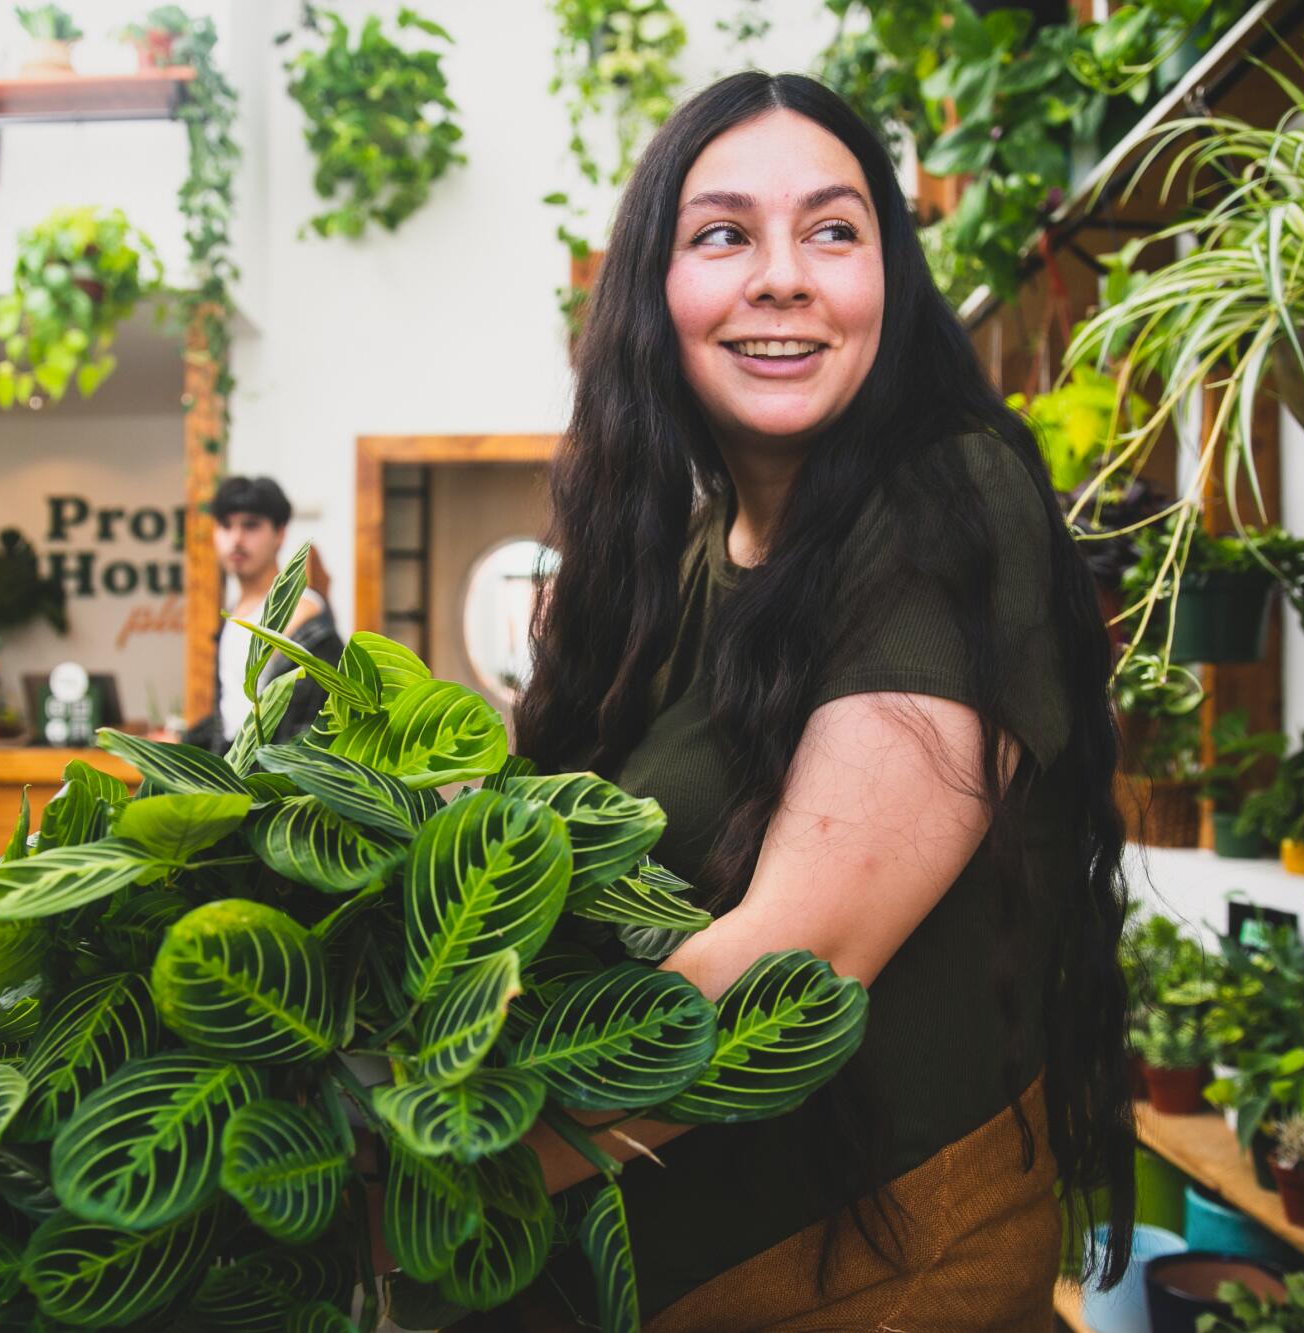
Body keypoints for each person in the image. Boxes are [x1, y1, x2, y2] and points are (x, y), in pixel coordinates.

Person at [464, 72, 1139, 1330]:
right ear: (652, 297)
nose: (782, 275)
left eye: (832, 230)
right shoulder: (677, 565)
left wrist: (406, 1162)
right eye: (723, 234)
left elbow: (799, 963)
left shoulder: (949, 507)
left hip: (868, 1289)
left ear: (890, 283)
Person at [178, 475, 343, 754]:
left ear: (280, 533)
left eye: (251, 526)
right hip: (236, 775)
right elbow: (231, 717)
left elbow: (316, 726)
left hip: (278, 783)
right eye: (226, 525)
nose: (236, 539)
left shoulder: (301, 615)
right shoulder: (232, 614)